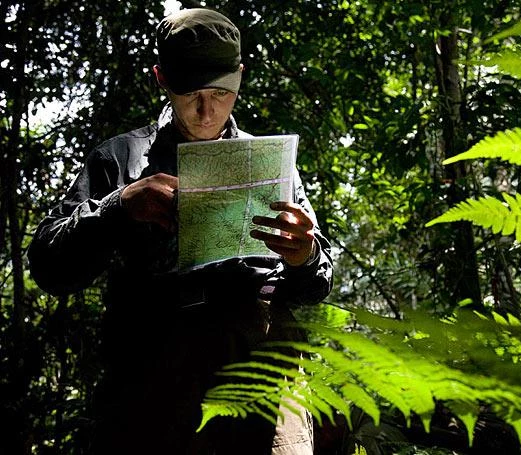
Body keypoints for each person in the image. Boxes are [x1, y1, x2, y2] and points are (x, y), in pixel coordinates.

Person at [27, 7, 333, 455]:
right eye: (191, 93)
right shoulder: (121, 158)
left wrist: (303, 254)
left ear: (240, 78)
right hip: (154, 392)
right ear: (162, 79)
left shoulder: (272, 165)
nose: (207, 110)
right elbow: (48, 266)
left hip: (263, 388)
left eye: (221, 93)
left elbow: (317, 282)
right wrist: (117, 207)